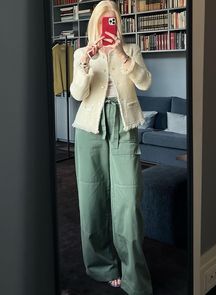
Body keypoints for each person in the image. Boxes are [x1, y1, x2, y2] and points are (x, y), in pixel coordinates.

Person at [70, 1, 153, 294]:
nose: (109, 24)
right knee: (92, 197)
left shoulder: (129, 50)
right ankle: (102, 265)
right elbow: (78, 93)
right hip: (89, 127)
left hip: (123, 123)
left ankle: (133, 276)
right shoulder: (82, 54)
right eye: (104, 20)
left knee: (128, 202)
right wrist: (85, 63)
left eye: (113, 20)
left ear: (118, 23)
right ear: (95, 23)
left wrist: (121, 54)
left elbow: (145, 83)